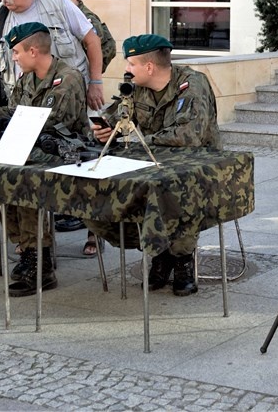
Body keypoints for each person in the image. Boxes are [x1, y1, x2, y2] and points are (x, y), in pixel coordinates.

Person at [87, 34, 221, 297]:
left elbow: (188, 136)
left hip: (197, 166)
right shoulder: (136, 87)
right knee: (106, 193)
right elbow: (113, 114)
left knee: (179, 188)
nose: (126, 69)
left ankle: (181, 258)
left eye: (131, 64)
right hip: (153, 162)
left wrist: (137, 140)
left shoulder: (192, 84)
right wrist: (106, 129)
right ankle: (159, 249)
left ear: (149, 67)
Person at [0, 22, 89, 297]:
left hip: (67, 152)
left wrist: (7, 118)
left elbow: (54, 122)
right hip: (34, 148)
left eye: (16, 52)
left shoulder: (69, 77)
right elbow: (16, 111)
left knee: (25, 182)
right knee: (0, 178)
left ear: (34, 50)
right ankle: (29, 250)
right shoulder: (27, 78)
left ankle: (40, 263)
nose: (13, 58)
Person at [42, 0, 117, 248]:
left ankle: (94, 232)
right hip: (61, 98)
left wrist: (90, 79)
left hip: (83, 96)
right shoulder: (54, 16)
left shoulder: (86, 18)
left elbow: (105, 46)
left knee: (88, 158)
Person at [0, 0, 104, 112]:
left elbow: (92, 41)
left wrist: (96, 82)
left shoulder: (58, 4)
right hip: (25, 105)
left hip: (71, 101)